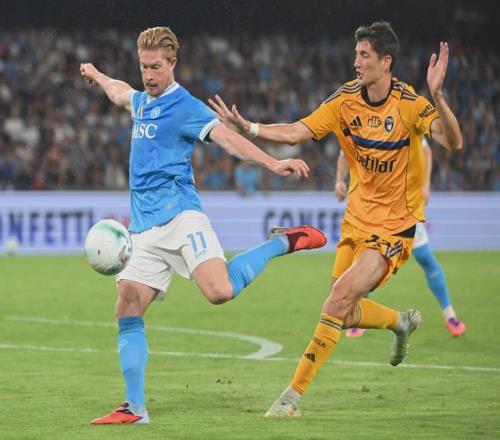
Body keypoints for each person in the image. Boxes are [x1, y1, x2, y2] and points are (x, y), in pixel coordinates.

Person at [209, 21, 463, 417]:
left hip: (394, 228)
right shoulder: (345, 100)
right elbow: (297, 131)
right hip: (356, 221)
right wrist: (251, 128)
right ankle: (400, 322)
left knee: (339, 298)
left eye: (364, 55)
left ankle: (291, 397)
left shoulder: (410, 104)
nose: (356, 62)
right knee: (341, 312)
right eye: (356, 54)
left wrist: (439, 94)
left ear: (386, 61)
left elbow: (453, 141)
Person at [80, 26, 327, 425]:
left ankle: (282, 242)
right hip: (143, 229)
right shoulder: (141, 101)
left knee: (219, 291)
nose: (148, 75)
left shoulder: (186, 106)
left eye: (156, 67)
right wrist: (97, 75)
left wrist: (272, 162)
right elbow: (118, 90)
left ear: (173, 64)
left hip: (181, 216)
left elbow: (228, 139)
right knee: (127, 304)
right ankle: (135, 408)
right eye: (144, 67)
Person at [335, 138, 466, 338]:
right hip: (371, 209)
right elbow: (344, 153)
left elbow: (426, 150)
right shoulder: (359, 124)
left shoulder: (402, 121)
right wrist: (339, 181)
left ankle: (450, 316)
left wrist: (425, 185)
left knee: (424, 257)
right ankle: (358, 315)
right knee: (366, 261)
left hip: (403, 206)